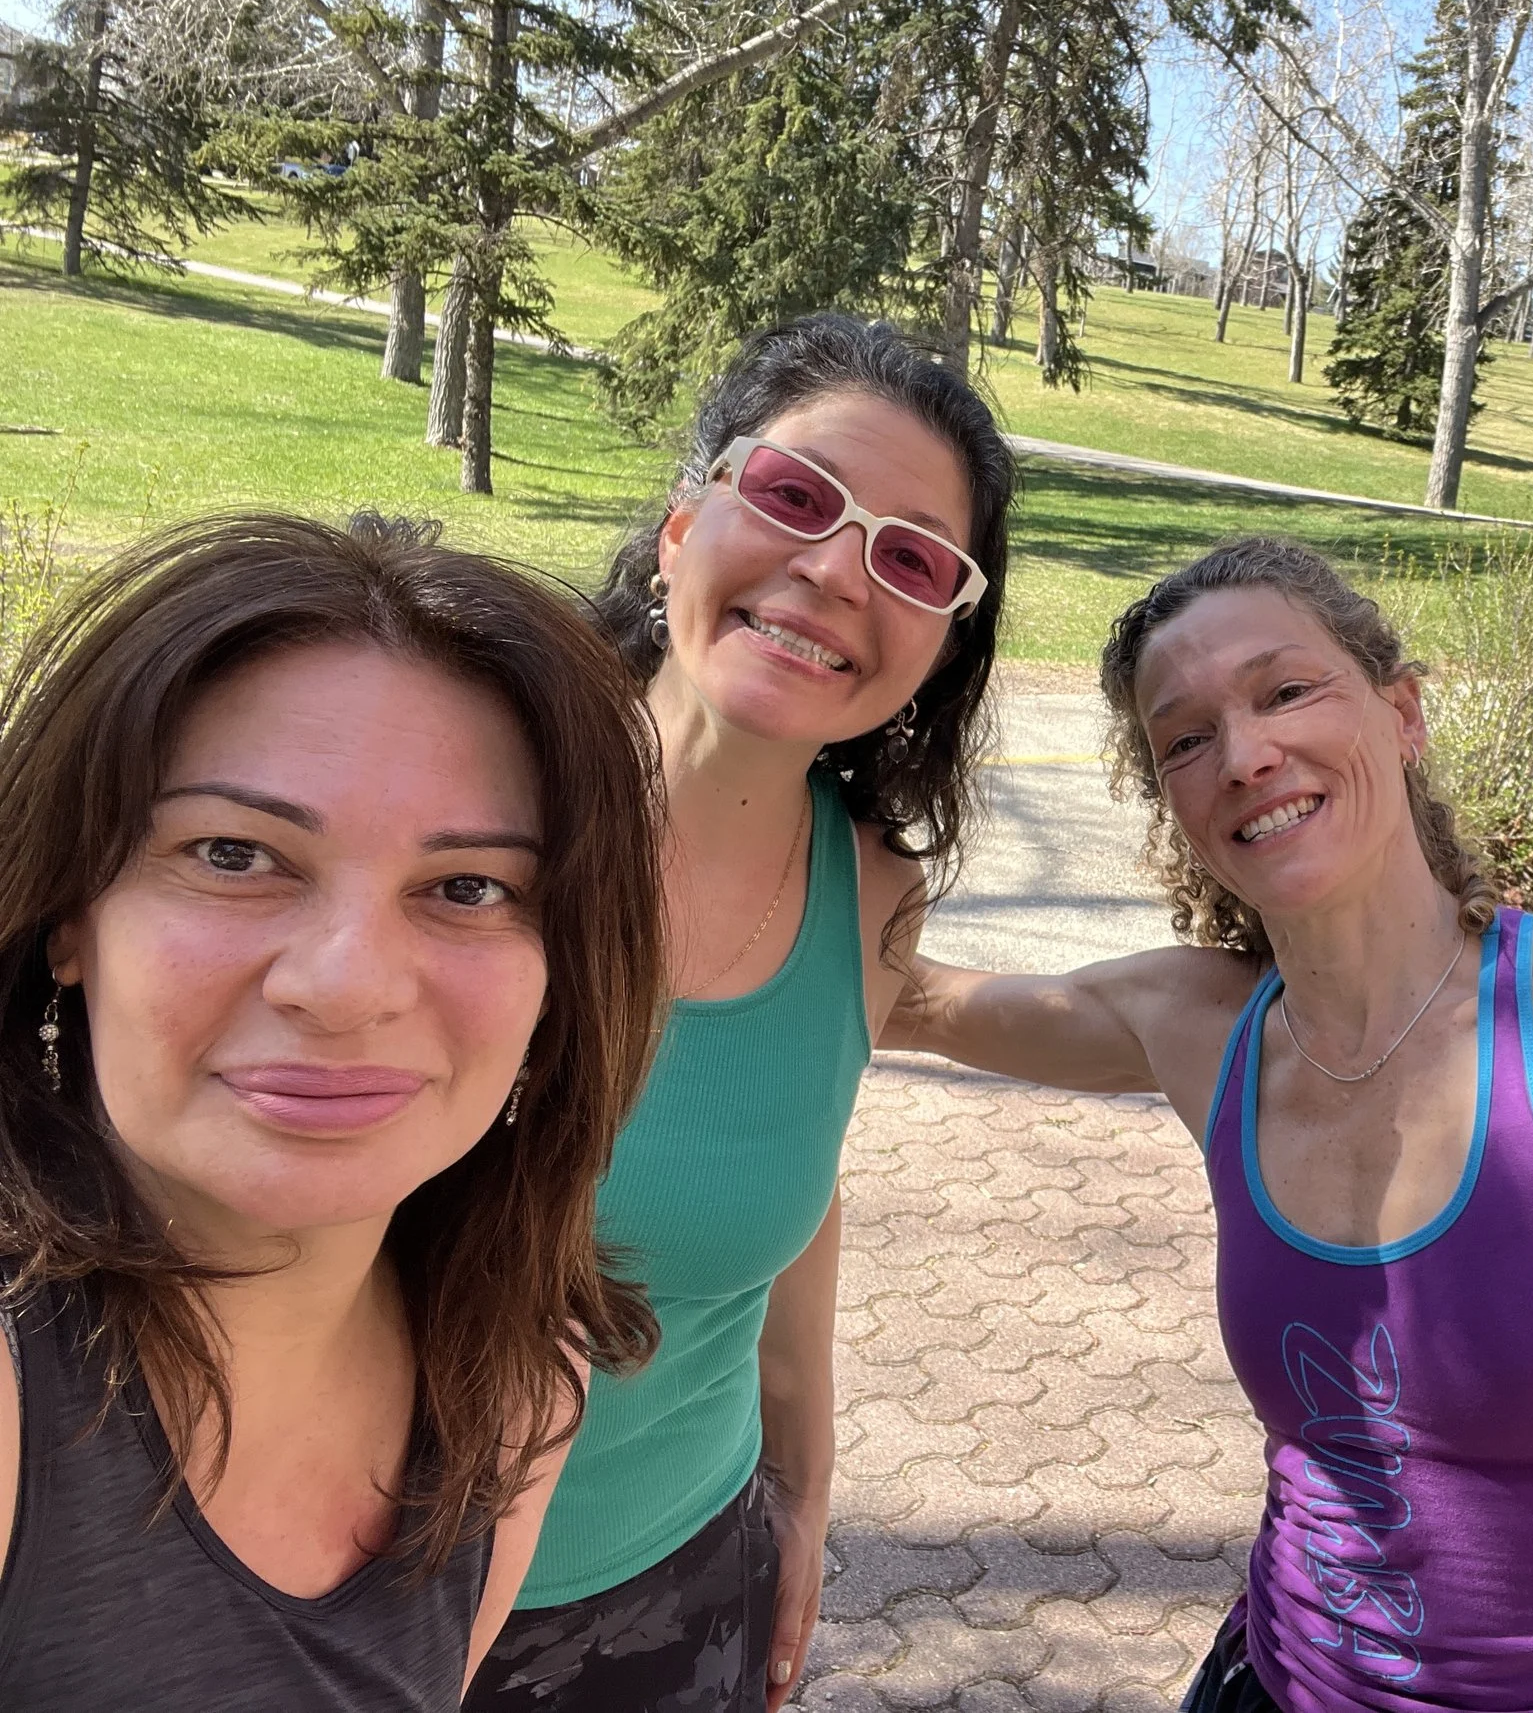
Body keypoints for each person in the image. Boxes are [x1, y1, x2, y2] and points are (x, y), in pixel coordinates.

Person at [888, 537, 1533, 1712]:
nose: (1245, 753)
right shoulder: (1205, 1030)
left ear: (1401, 715)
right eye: (1185, 738)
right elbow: (900, 996)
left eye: (1286, 691)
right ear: (1168, 801)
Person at [0, 512, 665, 1708]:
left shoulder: (518, 1380)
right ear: (68, 919)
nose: (347, 983)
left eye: (467, 888)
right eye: (234, 855)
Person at [467, 313, 1016, 1713]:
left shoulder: (873, 899)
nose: (836, 568)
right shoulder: (465, 800)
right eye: (793, 495)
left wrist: (804, 1486)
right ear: (677, 525)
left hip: (674, 1590)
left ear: (943, 646)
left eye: (911, 557)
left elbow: (797, 1162)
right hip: (332, 1585)